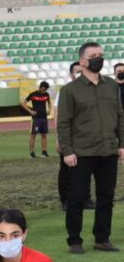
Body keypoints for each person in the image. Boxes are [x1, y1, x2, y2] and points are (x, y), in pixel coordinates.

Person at [57, 41, 124, 254]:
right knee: (76, 198)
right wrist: (67, 151)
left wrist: (121, 144)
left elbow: (120, 116)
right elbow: (63, 123)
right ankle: (75, 240)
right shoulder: (70, 90)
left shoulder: (111, 86)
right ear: (83, 60)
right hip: (81, 153)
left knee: (106, 197)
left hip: (108, 151)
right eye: (94, 55)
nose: (99, 58)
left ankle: (102, 239)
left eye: (101, 54)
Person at [53, 62, 92, 211]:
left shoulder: (90, 90)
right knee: (66, 170)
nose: (80, 74)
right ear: (71, 74)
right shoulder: (66, 91)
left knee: (87, 168)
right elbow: (58, 116)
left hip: (86, 137)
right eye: (77, 72)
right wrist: (59, 138)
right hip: (69, 137)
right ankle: (66, 200)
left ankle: (85, 199)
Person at [23, 81, 52, 158]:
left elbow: (49, 102)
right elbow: (23, 103)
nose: (45, 90)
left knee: (44, 135)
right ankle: (32, 154)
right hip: (35, 118)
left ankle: (44, 152)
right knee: (33, 135)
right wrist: (30, 111)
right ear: (41, 87)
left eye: (46, 89)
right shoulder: (33, 94)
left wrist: (49, 110)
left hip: (44, 118)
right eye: (44, 88)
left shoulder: (46, 95)